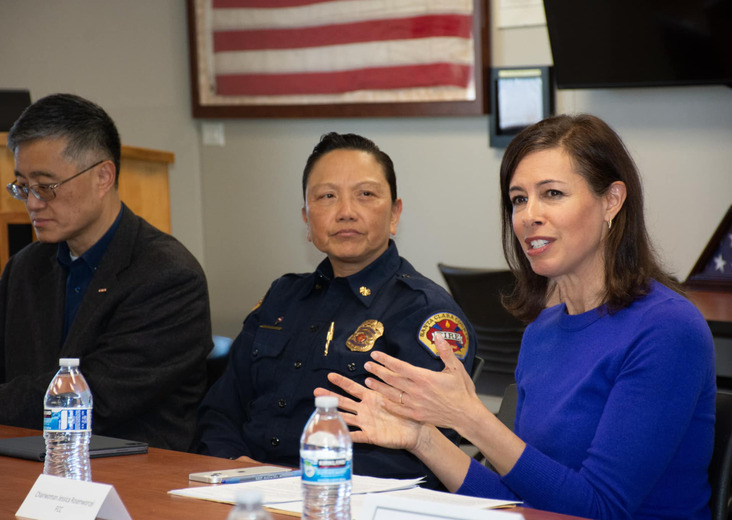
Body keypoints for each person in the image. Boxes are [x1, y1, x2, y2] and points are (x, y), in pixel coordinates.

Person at [316, 115, 716, 519]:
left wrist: (473, 420)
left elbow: (601, 509)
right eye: (519, 199)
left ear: (611, 200)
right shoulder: (543, 330)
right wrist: (422, 439)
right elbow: (519, 499)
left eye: (553, 193)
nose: (528, 216)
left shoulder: (667, 329)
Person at [196, 132, 477, 486]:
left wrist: (303, 485)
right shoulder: (281, 297)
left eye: (366, 194)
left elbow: (423, 453)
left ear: (395, 214)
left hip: (353, 500)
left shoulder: (423, 312)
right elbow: (220, 411)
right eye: (327, 196)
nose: (346, 212)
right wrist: (234, 466)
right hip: (243, 492)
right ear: (306, 218)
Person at [0, 93, 213, 452]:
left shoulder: (167, 276)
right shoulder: (27, 267)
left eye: (46, 186)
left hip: (130, 477)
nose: (31, 203)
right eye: (23, 187)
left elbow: (91, 399)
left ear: (103, 176)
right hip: (25, 461)